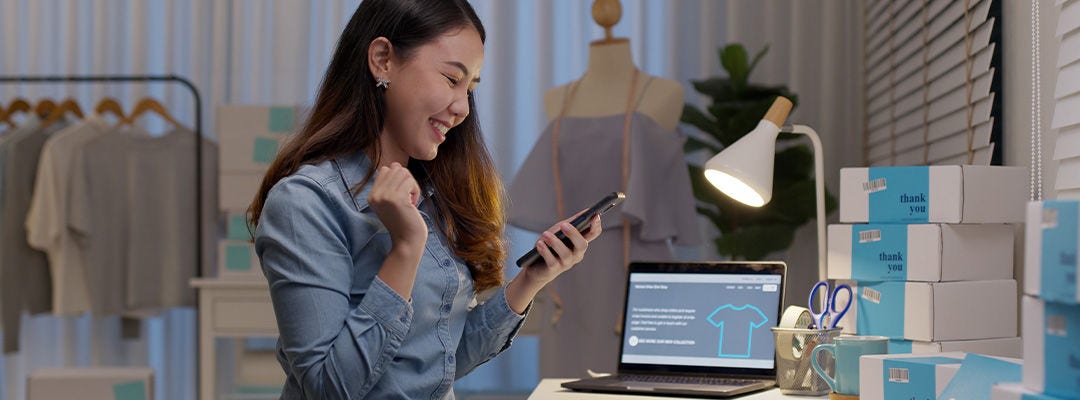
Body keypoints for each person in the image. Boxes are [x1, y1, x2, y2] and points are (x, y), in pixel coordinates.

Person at [246, 1, 602, 398]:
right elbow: (328, 388)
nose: (463, 108)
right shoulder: (304, 205)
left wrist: (532, 279)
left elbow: (437, 362)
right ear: (382, 60)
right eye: (452, 79)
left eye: (471, 88)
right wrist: (405, 249)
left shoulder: (431, 195)